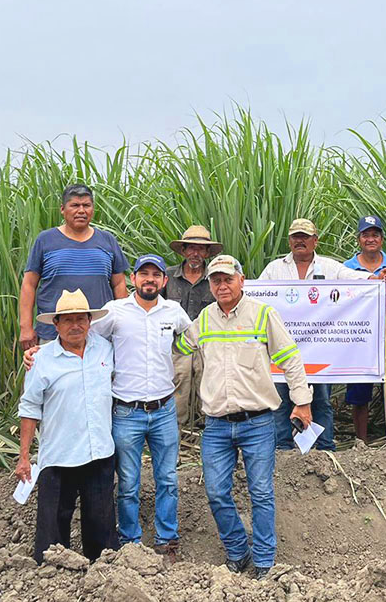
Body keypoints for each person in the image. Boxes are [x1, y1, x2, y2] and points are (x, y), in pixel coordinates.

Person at [25, 255, 192, 562]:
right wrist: (41, 352)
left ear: (164, 281)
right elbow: (78, 336)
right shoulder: (115, 313)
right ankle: (130, 543)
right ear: (133, 279)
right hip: (127, 412)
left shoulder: (174, 312)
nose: (150, 279)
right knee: (128, 482)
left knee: (167, 479)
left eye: (156, 274)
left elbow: (193, 340)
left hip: (164, 409)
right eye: (144, 274)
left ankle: (167, 540)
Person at [174, 254, 313, 579]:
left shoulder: (262, 314)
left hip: (258, 423)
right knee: (216, 491)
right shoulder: (205, 319)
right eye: (216, 280)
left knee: (261, 492)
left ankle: (264, 562)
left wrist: (302, 402)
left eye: (227, 279)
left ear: (241, 280)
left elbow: (291, 359)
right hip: (217, 426)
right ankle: (238, 551)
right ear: (210, 285)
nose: (222, 285)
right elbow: (176, 349)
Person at [16, 289, 118, 563]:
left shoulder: (105, 349)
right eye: (68, 320)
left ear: (89, 321)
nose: (75, 326)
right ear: (56, 325)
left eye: (81, 319)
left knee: (102, 523)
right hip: (60, 455)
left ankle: (103, 572)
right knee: (53, 527)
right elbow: (29, 408)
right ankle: (52, 578)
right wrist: (24, 456)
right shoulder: (42, 360)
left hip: (99, 452)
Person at [259, 217, 374, 451]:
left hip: (318, 349)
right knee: (281, 398)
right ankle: (283, 448)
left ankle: (324, 448)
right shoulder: (275, 269)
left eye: (305, 237)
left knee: (321, 399)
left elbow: (351, 278)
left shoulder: (329, 266)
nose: (300, 241)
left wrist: (373, 279)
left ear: (315, 240)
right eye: (295, 237)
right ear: (289, 240)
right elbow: (258, 295)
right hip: (283, 350)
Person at [19, 184, 130, 349]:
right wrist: (25, 327)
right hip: (52, 334)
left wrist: (123, 324)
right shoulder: (46, 240)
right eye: (75, 205)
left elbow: (119, 284)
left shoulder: (107, 240)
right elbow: (29, 284)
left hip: (100, 333)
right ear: (63, 209)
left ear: (93, 209)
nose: (81, 210)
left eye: (86, 205)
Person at [343, 215, 386, 442]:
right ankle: (362, 443)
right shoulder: (347, 268)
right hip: (361, 343)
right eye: (366, 235)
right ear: (359, 239)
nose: (371, 239)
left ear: (382, 238)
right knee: (360, 395)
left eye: (375, 234)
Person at [166, 225, 223, 429]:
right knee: (178, 384)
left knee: (206, 384)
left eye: (201, 249)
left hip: (206, 344)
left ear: (207, 253)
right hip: (176, 344)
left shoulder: (216, 278)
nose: (195, 253)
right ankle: (177, 432)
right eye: (191, 248)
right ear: (183, 250)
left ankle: (205, 431)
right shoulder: (168, 276)